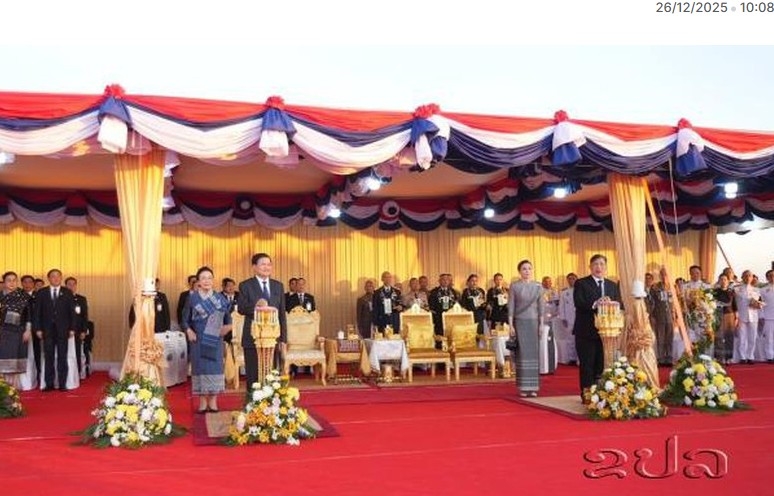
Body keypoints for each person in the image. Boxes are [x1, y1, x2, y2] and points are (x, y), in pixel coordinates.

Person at [182, 266, 232, 413]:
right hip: (198, 339)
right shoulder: (192, 298)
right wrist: (188, 330)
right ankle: (203, 401)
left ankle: (213, 401)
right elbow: (184, 319)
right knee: (200, 368)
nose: (206, 281)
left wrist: (228, 327)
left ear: (213, 280)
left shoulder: (220, 299)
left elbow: (228, 320)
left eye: (209, 278)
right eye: (203, 278)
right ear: (198, 281)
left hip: (215, 339)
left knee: (214, 367)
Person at [573, 254, 623, 402]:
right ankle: (587, 395)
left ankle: (601, 394)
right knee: (587, 365)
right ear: (590, 267)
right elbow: (579, 303)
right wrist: (597, 303)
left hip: (607, 334)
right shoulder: (581, 283)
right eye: (595, 264)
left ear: (606, 267)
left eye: (602, 264)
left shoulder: (612, 285)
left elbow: (619, 305)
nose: (599, 267)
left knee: (602, 365)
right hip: (586, 331)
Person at [237, 253, 288, 388]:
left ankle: (271, 406)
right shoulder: (245, 285)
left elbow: (281, 314)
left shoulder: (278, 286)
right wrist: (257, 306)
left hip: (273, 338)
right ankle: (252, 405)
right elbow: (241, 308)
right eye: (263, 264)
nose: (266, 267)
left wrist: (283, 339)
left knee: (271, 374)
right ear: (254, 267)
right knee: (253, 375)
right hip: (252, 337)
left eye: (269, 264)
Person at [33, 269, 77, 391]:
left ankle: (63, 384)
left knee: (62, 357)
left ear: (61, 278)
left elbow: (72, 313)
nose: (56, 278)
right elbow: (37, 313)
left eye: (58, 276)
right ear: (49, 278)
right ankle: (49, 384)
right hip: (47, 330)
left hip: (63, 330)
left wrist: (72, 328)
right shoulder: (41, 292)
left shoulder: (67, 292)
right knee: (49, 357)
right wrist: (37, 329)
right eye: (53, 276)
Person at [508, 260, 545, 397]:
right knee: (522, 354)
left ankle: (533, 387)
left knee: (533, 354)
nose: (527, 271)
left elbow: (541, 306)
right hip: (520, 322)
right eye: (524, 269)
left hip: (534, 322)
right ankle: (523, 387)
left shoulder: (538, 287)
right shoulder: (515, 286)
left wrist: (541, 324)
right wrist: (510, 324)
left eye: (529, 268)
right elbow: (511, 306)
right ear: (519, 271)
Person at [0, 272, 33, 387]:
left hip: (17, 333)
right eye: (9, 280)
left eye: (14, 280)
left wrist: (28, 331)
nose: (12, 282)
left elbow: (29, 315)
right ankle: (3, 391)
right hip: (2, 333)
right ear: (4, 282)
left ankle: (13, 390)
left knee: (14, 365)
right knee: (2, 363)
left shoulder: (24, 296)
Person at [648, 269, 675, 366]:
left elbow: (676, 303)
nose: (664, 277)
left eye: (666, 274)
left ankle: (669, 358)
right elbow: (651, 303)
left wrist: (676, 316)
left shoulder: (672, 287)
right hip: (659, 316)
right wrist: (651, 316)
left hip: (671, 317)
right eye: (662, 274)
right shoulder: (655, 287)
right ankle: (661, 359)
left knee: (670, 338)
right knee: (660, 337)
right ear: (660, 276)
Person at [734, 269, 761, 365]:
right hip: (741, 315)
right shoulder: (736, 289)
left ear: (752, 277)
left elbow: (760, 303)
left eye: (750, 275)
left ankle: (750, 356)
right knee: (742, 337)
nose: (748, 277)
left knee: (752, 337)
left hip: (753, 316)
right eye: (745, 275)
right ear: (742, 277)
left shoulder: (757, 290)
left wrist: (758, 305)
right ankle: (742, 357)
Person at [64, 277, 89, 378]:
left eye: (73, 284)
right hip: (64, 330)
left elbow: (84, 316)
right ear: (65, 286)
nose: (71, 286)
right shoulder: (60, 298)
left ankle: (77, 374)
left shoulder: (81, 299)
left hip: (78, 330)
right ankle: (65, 374)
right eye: (69, 284)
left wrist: (84, 331)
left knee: (77, 352)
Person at [429, 273, 460, 345]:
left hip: (451, 317)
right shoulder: (434, 292)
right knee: (440, 336)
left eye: (447, 279)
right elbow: (432, 306)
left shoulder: (453, 292)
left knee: (451, 335)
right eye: (443, 279)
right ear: (439, 281)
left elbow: (456, 304)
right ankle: (440, 352)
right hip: (438, 317)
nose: (445, 281)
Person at [713, 274, 737, 365]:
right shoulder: (715, 292)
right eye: (721, 279)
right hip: (718, 314)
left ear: (728, 281)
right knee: (718, 336)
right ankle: (719, 357)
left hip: (729, 315)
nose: (723, 281)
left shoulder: (731, 292)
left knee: (729, 336)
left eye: (725, 279)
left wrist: (736, 317)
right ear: (719, 281)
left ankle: (728, 357)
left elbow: (734, 304)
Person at [557, 272, 578, 365]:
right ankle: (571, 358)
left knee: (580, 339)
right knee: (570, 339)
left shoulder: (581, 290)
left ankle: (580, 358)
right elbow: (561, 306)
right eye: (569, 279)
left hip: (580, 318)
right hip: (569, 319)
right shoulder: (564, 293)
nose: (571, 280)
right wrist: (563, 318)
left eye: (573, 278)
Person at [759, 270, 774, 364]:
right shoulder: (763, 290)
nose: (772, 277)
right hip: (768, 317)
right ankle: (770, 356)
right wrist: (761, 316)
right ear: (767, 278)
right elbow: (760, 304)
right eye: (770, 276)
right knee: (769, 338)